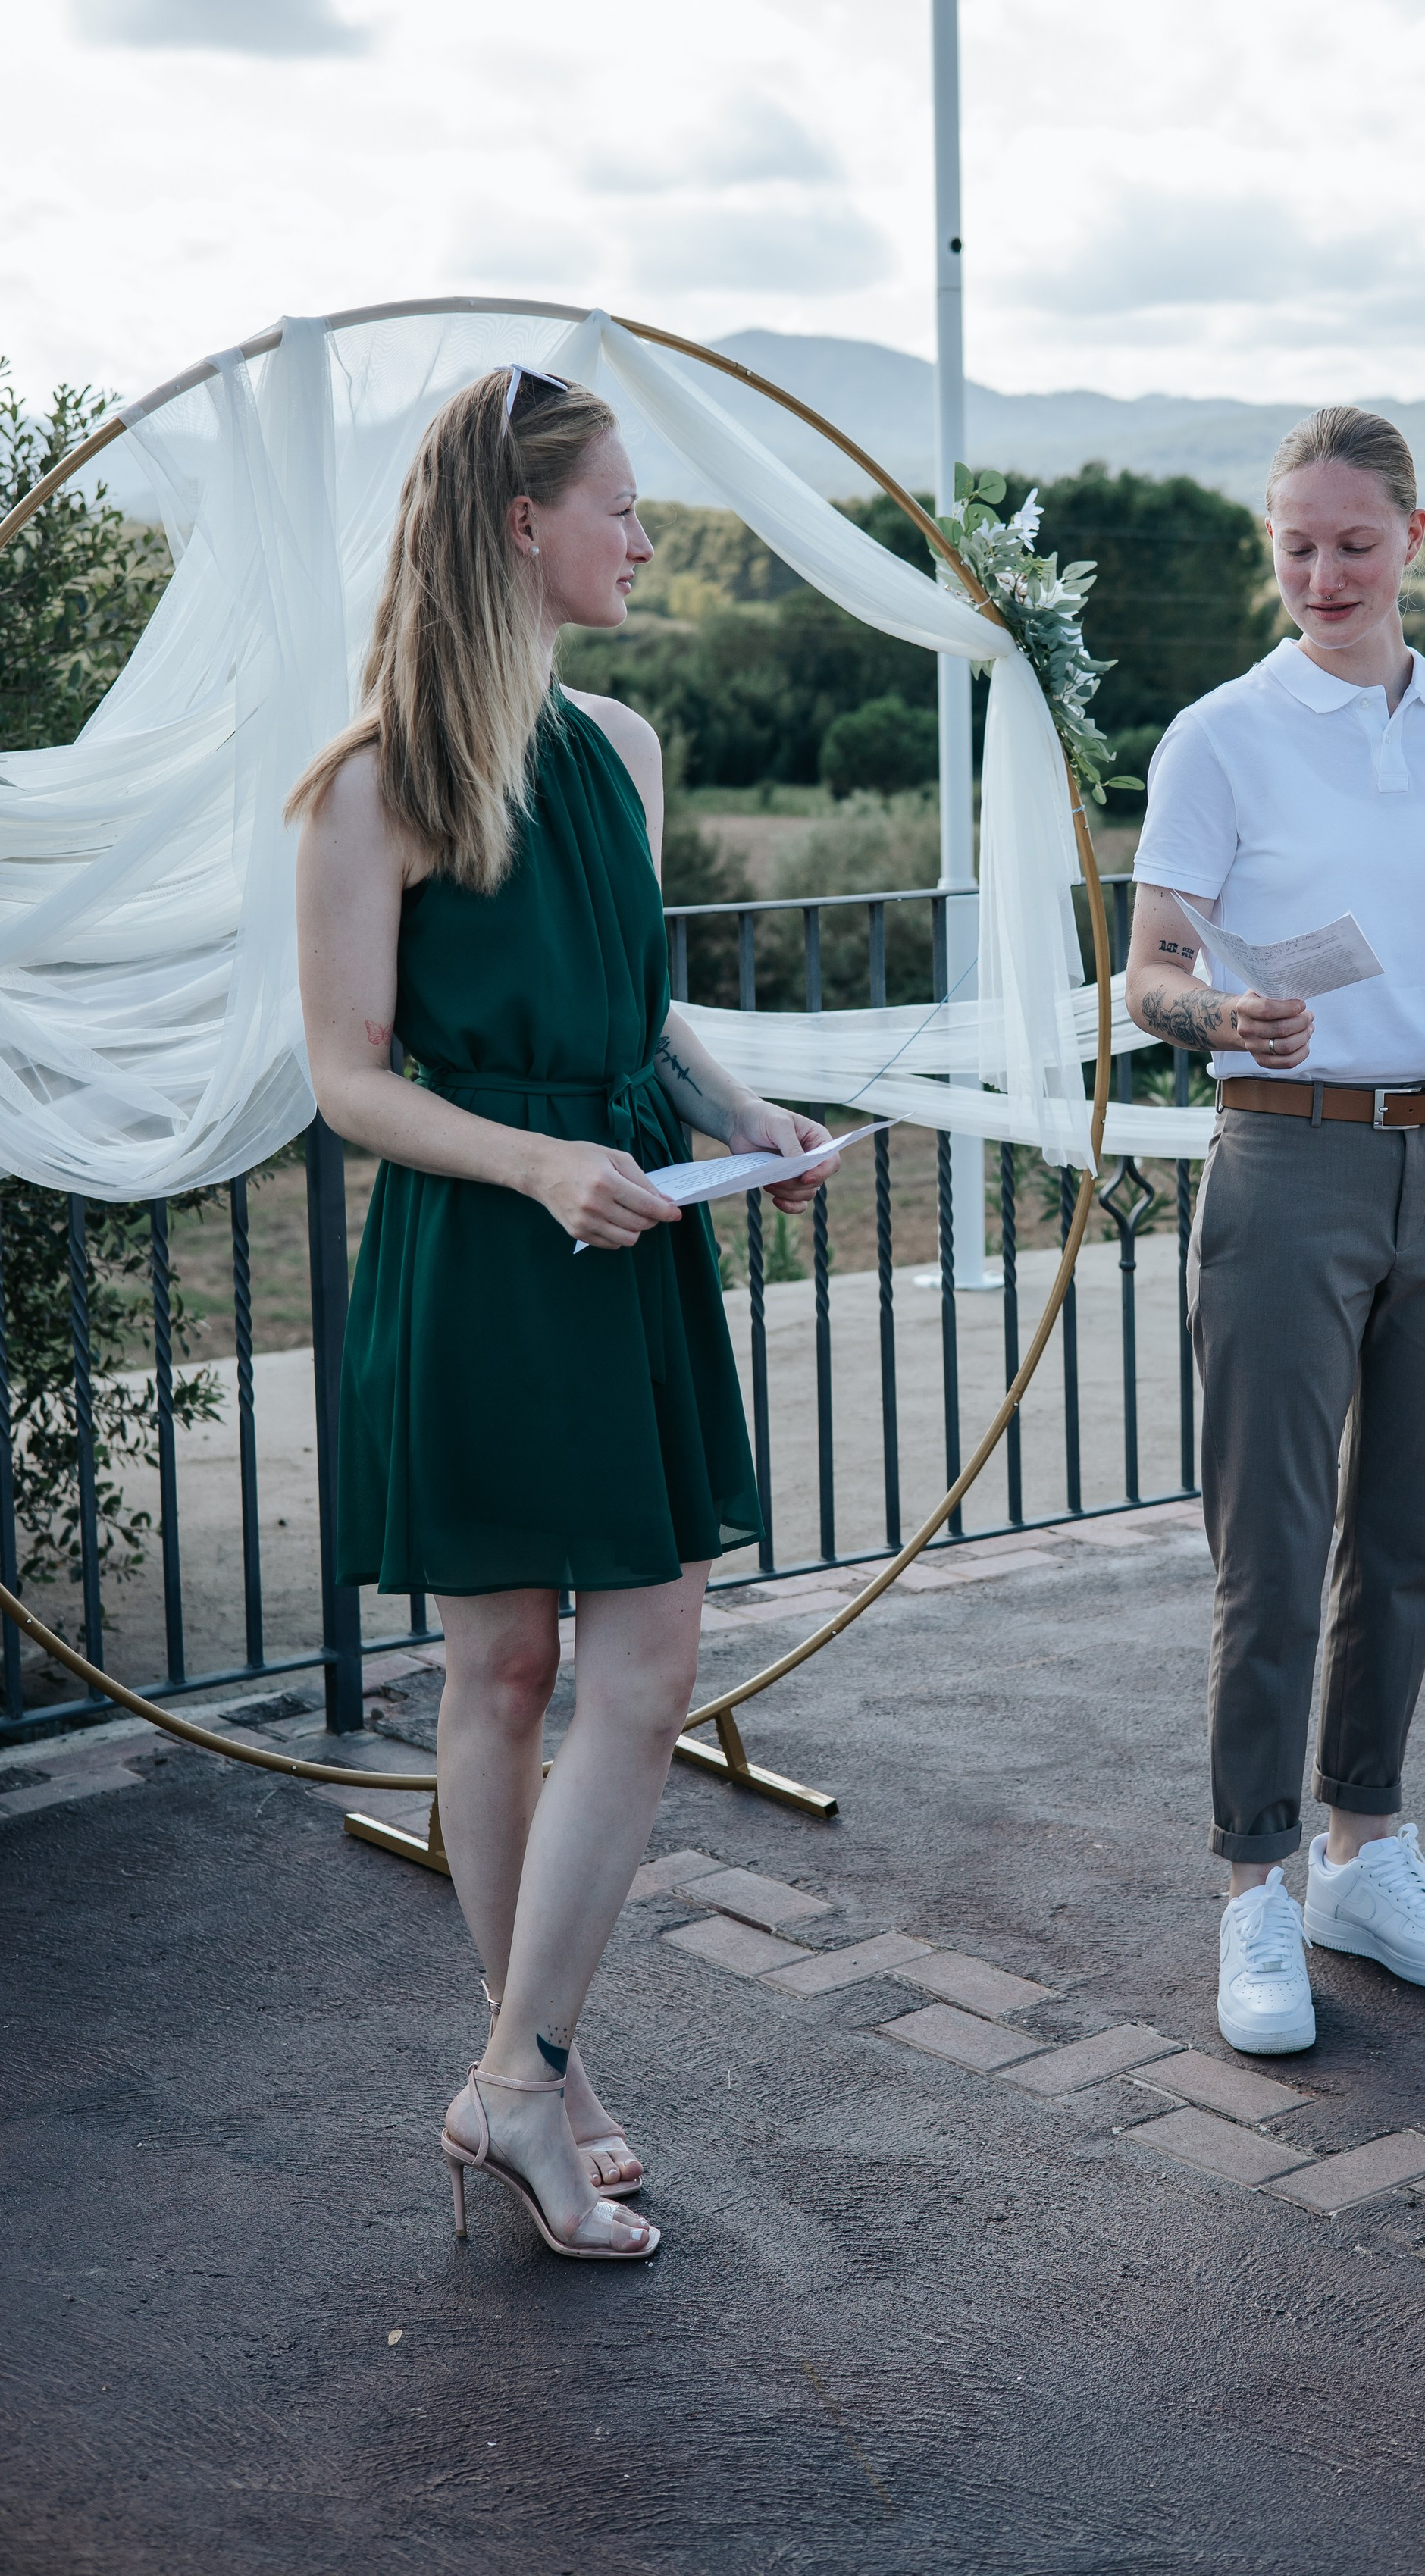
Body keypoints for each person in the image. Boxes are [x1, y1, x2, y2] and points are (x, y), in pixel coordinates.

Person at [289, 365, 838, 2261]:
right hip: (485, 1250)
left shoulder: (622, 743)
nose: (642, 533)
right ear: (524, 526)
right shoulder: (370, 784)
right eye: (619, 502)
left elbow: (637, 1005)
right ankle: (533, 2075)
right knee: (502, 1672)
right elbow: (348, 1080)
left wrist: (736, 1114)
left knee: (651, 1655)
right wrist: (531, 1168)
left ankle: (521, 2066)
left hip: (632, 1238)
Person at [1126, 406, 1425, 2055]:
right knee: (1267, 1554)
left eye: (1351, 542)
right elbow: (1150, 967)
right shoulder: (1217, 736)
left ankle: (1362, 1855)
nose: (1319, 574)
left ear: (1410, 541)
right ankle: (1252, 1888)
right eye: (1294, 545)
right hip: (1287, 1162)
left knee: (1403, 1540)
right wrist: (1218, 1018)